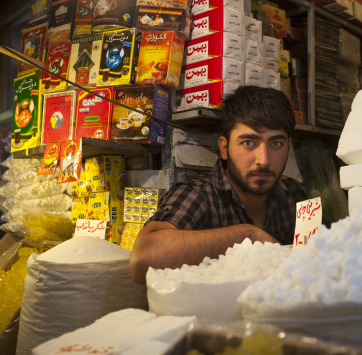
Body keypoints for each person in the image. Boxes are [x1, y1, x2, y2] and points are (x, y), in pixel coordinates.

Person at [129, 85, 309, 283]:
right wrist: (248, 235)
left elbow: (323, 260)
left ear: (288, 147)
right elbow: (143, 259)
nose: (264, 160)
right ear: (224, 148)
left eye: (276, 144)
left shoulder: (294, 195)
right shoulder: (199, 194)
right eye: (249, 143)